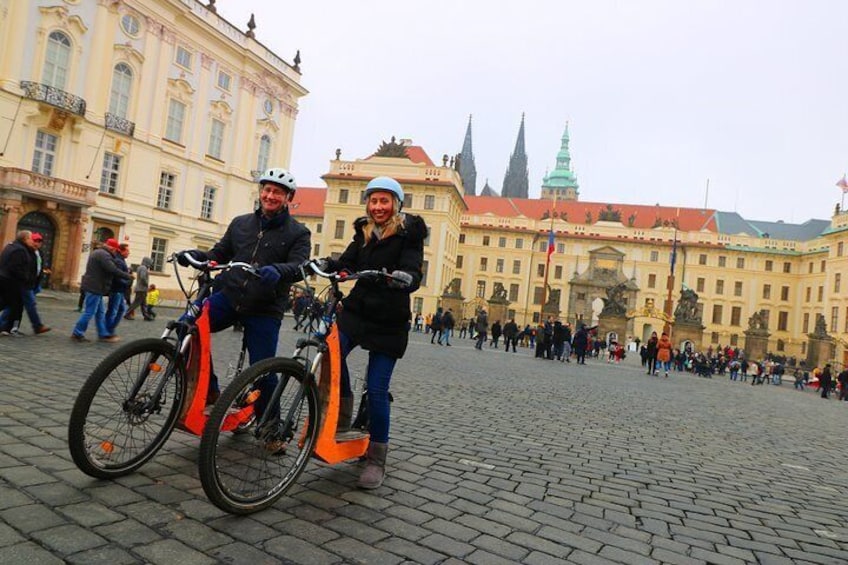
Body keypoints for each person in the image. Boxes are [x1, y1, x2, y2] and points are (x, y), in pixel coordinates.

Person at [314, 176, 426, 489]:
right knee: (330, 353)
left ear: (396, 204)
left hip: (389, 319)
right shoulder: (363, 232)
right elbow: (348, 262)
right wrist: (333, 265)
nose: (378, 207)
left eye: (384, 201)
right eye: (374, 201)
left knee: (377, 389)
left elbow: (414, 268)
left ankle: (376, 458)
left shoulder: (409, 234)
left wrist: (405, 277)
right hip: (358, 311)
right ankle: (343, 414)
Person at [176, 167, 311, 412]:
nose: (270, 196)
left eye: (278, 192)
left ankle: (270, 425)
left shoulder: (298, 232)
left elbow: (299, 264)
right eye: (267, 190)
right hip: (230, 296)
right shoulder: (241, 224)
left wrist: (279, 270)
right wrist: (197, 256)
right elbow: (218, 254)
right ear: (261, 192)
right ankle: (209, 389)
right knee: (186, 327)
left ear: (288, 198)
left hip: (265, 307)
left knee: (262, 369)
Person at [71, 239, 133, 342]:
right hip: (95, 287)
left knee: (100, 312)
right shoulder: (104, 255)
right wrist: (127, 276)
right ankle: (77, 332)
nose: (115, 252)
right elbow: (112, 269)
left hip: (96, 287)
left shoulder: (99, 252)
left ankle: (103, 334)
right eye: (115, 250)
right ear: (112, 248)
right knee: (89, 312)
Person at [0, 231, 51, 335]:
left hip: (26, 283)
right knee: (24, 304)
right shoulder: (21, 249)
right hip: (19, 283)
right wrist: (26, 278)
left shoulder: (30, 250)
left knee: (12, 305)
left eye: (38, 241)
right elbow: (17, 267)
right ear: (25, 239)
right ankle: (36, 326)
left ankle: (7, 327)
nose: (34, 242)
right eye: (32, 239)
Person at [105, 243, 131, 337]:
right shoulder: (119, 261)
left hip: (119, 290)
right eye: (127, 251)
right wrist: (127, 282)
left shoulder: (121, 260)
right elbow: (117, 276)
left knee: (120, 310)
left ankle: (110, 329)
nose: (129, 253)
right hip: (116, 289)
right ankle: (108, 330)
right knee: (113, 311)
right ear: (121, 250)